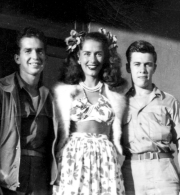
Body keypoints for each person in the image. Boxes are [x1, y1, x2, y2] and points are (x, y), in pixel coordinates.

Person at [0, 27, 58, 195]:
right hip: (7, 183)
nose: (35, 56)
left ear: (45, 58)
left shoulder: (51, 98)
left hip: (40, 183)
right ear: (18, 58)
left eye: (39, 51)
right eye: (28, 51)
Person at [52, 28, 126, 195]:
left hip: (106, 162)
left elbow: (120, 136)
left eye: (98, 54)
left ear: (105, 57)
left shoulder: (115, 95)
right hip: (73, 161)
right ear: (78, 57)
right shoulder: (64, 93)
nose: (92, 60)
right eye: (87, 53)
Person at [121, 40, 180, 195]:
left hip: (164, 173)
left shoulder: (169, 101)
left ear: (154, 67)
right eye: (137, 64)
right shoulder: (120, 104)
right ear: (128, 67)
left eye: (148, 64)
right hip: (132, 174)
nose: (142, 70)